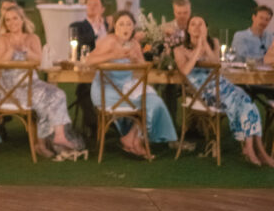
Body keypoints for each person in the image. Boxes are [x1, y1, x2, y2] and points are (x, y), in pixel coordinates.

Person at [175, 16, 273, 167]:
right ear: (187, 29)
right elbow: (185, 71)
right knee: (242, 102)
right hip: (203, 93)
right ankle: (252, 150)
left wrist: (204, 44)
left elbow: (216, 64)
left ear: (205, 28)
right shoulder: (179, 50)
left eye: (200, 24)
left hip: (221, 85)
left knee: (247, 101)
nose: (196, 27)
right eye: (193, 24)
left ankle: (257, 149)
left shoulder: (213, 43)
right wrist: (197, 51)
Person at [0, 5, 82, 159]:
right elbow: (0, 63)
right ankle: (41, 144)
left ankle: (58, 135)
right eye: (8, 20)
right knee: (45, 99)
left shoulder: (32, 38)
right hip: (10, 87)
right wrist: (11, 50)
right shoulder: (2, 39)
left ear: (22, 19)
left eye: (15, 18)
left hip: (32, 83)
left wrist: (27, 51)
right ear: (5, 24)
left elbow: (41, 61)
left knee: (58, 94)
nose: (12, 22)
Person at [86, 9, 177, 157]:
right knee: (145, 104)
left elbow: (142, 71)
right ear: (115, 27)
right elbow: (89, 61)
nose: (125, 28)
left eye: (128, 24)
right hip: (106, 91)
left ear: (133, 27)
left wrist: (137, 60)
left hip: (126, 87)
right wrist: (113, 55)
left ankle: (132, 138)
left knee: (155, 102)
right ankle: (135, 141)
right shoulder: (109, 41)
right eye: (121, 24)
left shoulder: (134, 44)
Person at [69, 0, 111, 138]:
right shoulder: (78, 26)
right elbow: (81, 43)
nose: (92, 7)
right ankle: (95, 126)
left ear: (103, 9)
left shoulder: (113, 25)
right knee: (84, 90)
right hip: (89, 70)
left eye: (96, 4)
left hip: (112, 71)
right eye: (89, 4)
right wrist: (98, 32)